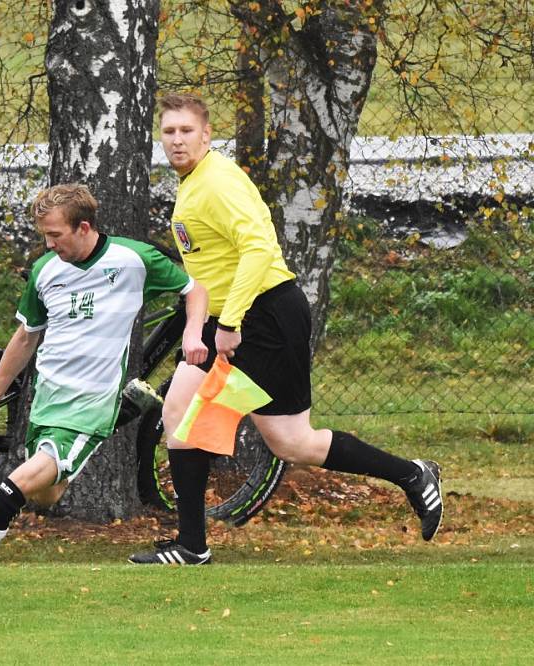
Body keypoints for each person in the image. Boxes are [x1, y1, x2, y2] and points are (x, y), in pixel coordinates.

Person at [128, 94, 443, 566]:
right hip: (234, 317)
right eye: (169, 131)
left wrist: (229, 323)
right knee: (180, 413)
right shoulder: (193, 182)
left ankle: (413, 475)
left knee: (292, 442)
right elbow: (210, 267)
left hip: (266, 316)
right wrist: (205, 325)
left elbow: (258, 249)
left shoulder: (217, 182)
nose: (176, 140)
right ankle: (192, 545)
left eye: (186, 131)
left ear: (207, 134)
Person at [0, 183, 207, 612]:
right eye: (44, 237)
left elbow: (194, 289)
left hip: (88, 405)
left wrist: (194, 332)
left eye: (55, 235)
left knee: (8, 493)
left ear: (83, 227)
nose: (48, 245)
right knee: (45, 497)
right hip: (48, 400)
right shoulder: (45, 271)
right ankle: (127, 411)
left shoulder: (133, 260)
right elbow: (25, 337)